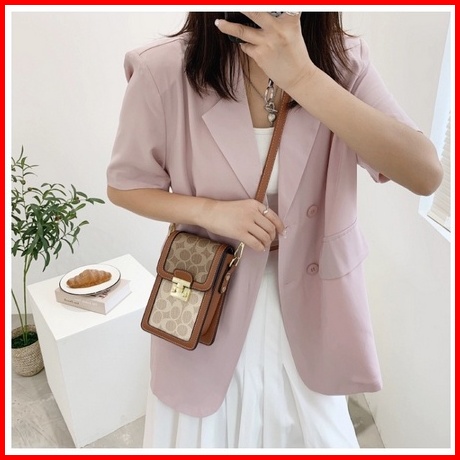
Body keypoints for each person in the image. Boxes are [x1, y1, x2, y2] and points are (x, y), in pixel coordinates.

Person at [106, 12, 442, 448]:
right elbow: (125, 185)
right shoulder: (165, 68)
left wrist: (303, 77)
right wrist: (212, 212)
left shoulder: (342, 62)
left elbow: (425, 174)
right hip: (208, 303)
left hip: (314, 308)